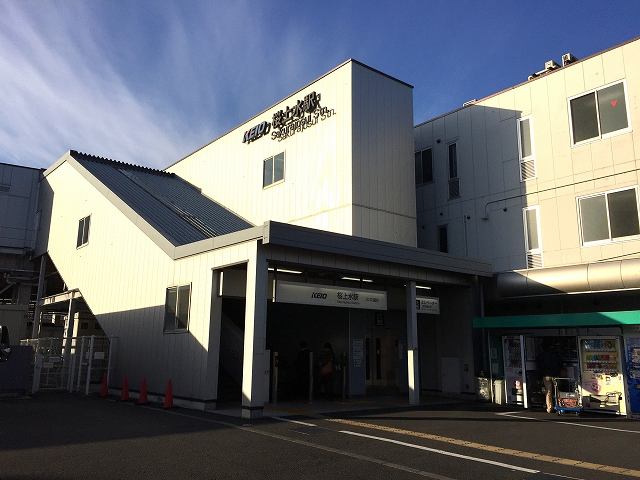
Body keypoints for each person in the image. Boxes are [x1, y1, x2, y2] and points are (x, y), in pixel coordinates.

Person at [536, 342, 563, 413]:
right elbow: (561, 364)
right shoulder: (555, 355)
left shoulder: (541, 356)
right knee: (557, 391)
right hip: (555, 376)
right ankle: (560, 406)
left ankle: (549, 408)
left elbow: (538, 365)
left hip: (546, 376)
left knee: (548, 392)